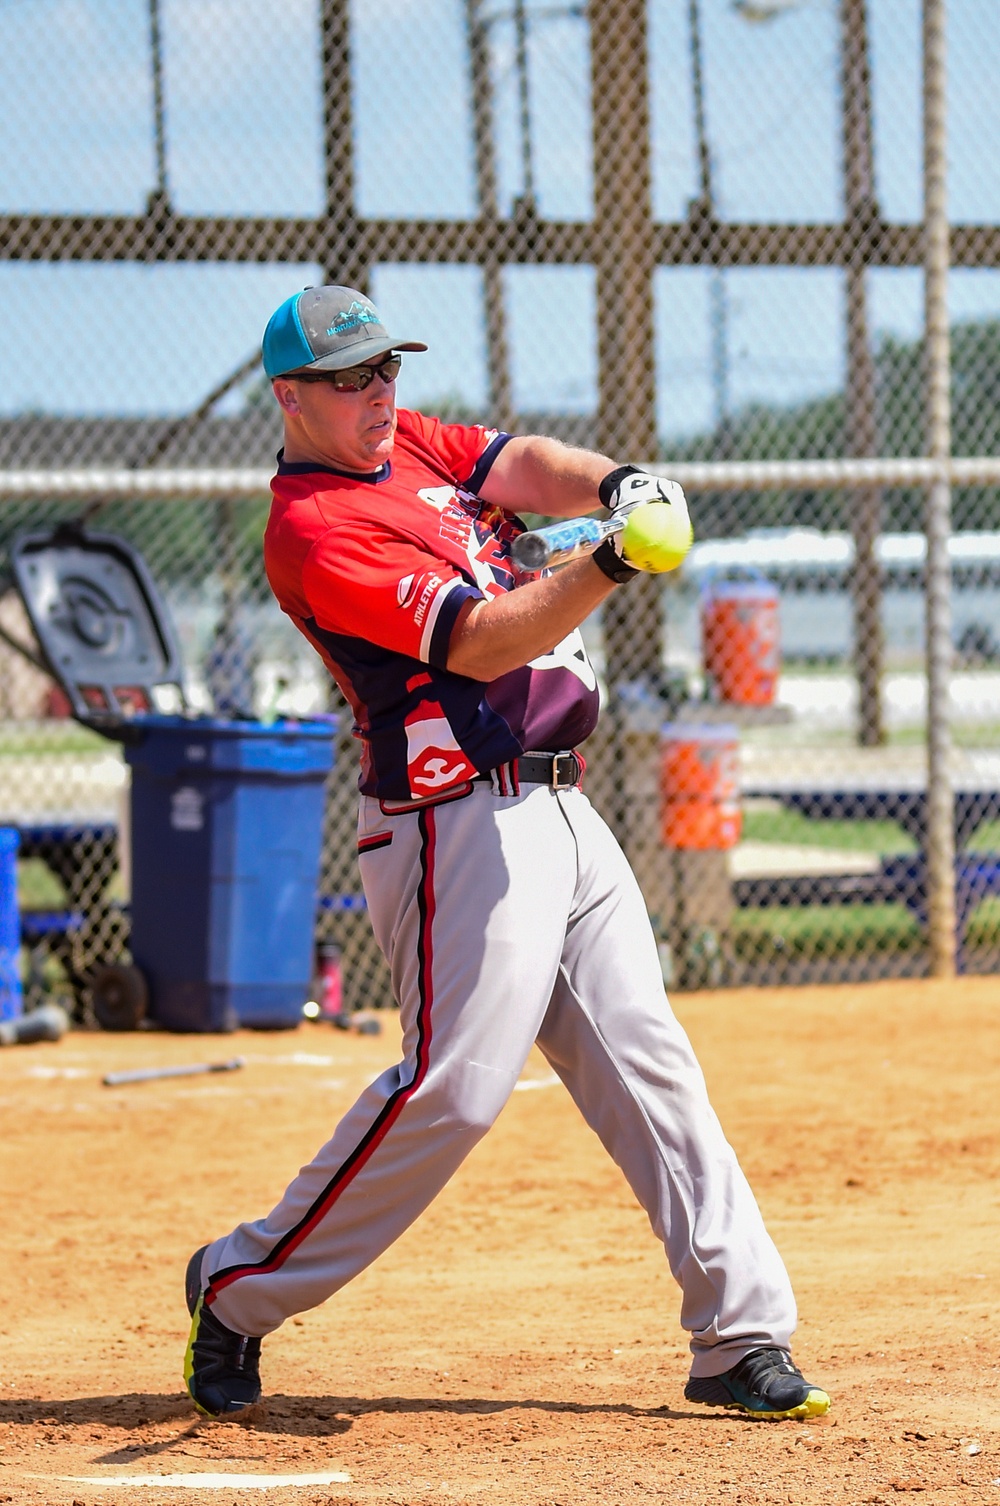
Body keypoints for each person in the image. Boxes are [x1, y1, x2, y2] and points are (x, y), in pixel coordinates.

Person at [182, 284, 830, 1423]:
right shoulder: (314, 527)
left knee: (652, 1066)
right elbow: (480, 645)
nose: (377, 394)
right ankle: (237, 1290)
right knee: (455, 1094)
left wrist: (617, 487)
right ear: (288, 398)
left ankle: (738, 1333)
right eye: (347, 380)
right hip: (453, 828)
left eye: (385, 370)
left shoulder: (407, 445)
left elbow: (519, 462)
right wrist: (611, 564)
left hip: (561, 811)